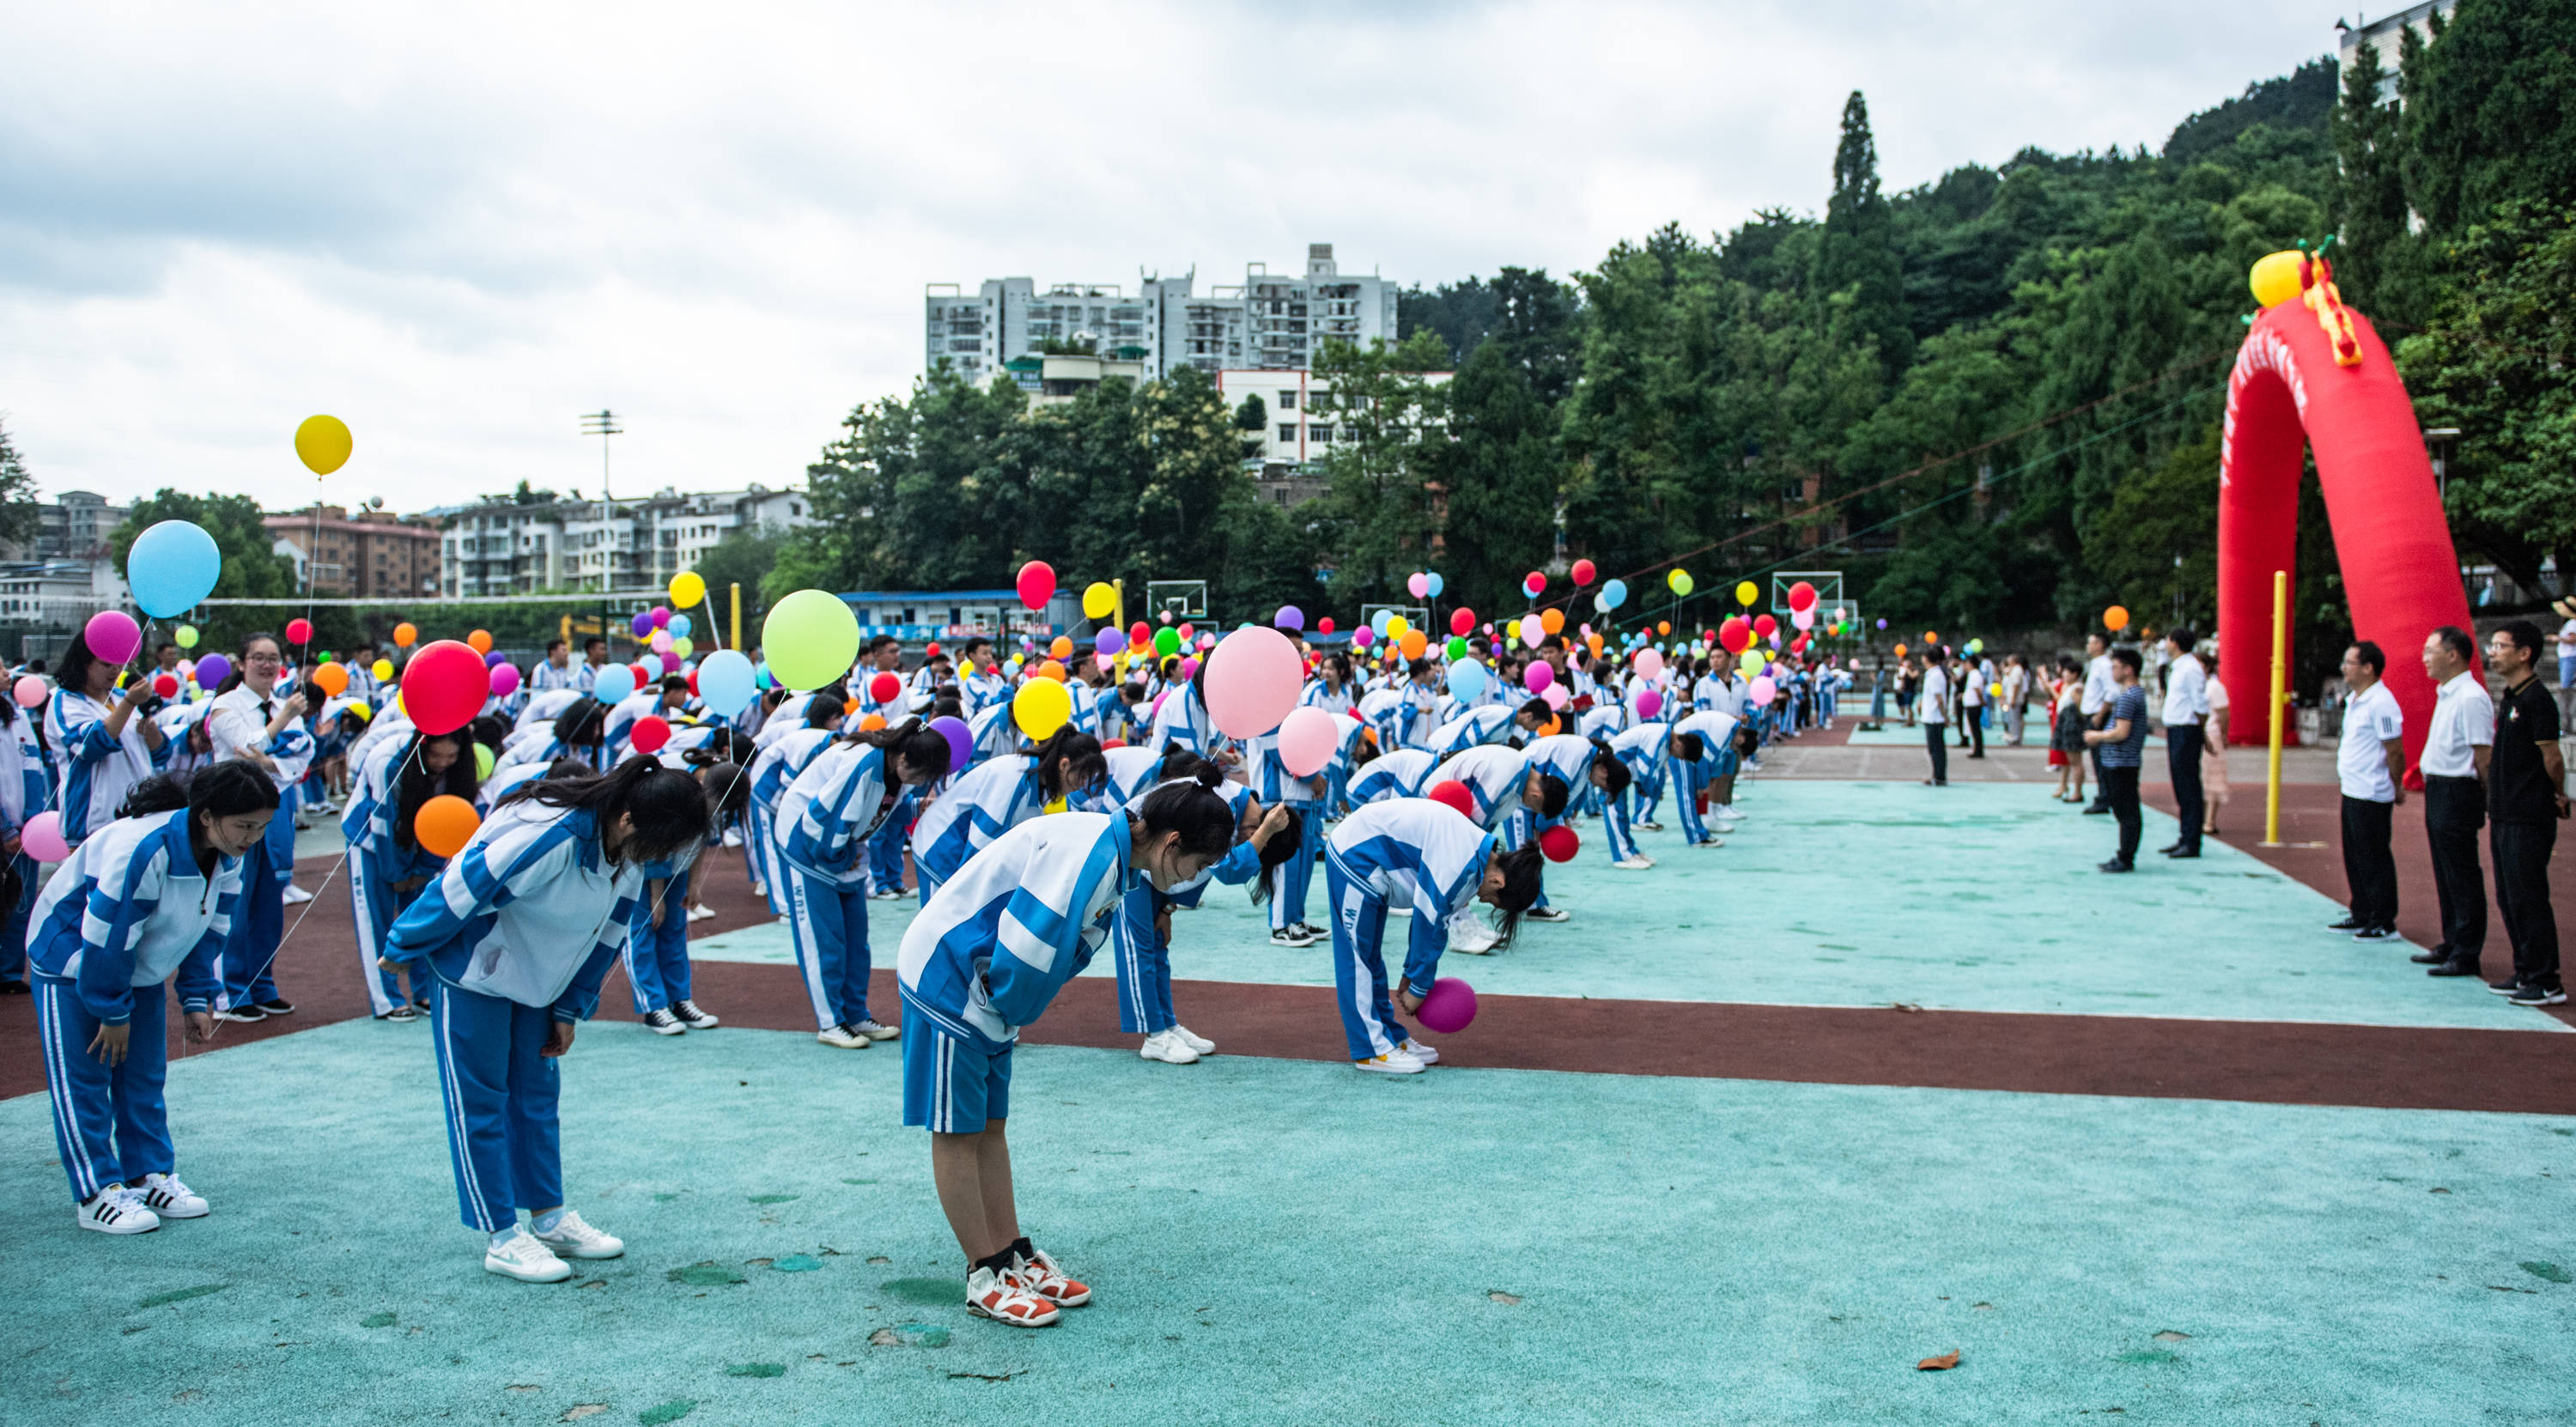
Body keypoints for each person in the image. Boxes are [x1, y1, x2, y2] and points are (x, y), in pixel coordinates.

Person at [896, 768, 1242, 1327]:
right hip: (950, 977)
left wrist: (1007, 1014)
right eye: (1196, 867)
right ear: (1172, 843)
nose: (1188, 880)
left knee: (988, 1126)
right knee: (957, 1132)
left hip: (984, 989)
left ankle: (1009, 1251)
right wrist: (1012, 1011)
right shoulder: (1091, 857)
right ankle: (983, 1270)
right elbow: (1029, 949)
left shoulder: (1116, 850)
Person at [386, 756, 713, 1282]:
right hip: (474, 971)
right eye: (665, 843)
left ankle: (549, 1216)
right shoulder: (552, 837)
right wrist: (404, 944)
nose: (665, 858)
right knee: (482, 1101)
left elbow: (608, 937)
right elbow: (464, 885)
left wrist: (569, 1009)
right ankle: (500, 1235)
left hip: (541, 980)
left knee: (537, 1100)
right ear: (628, 819)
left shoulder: (626, 854)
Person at [31, 762, 276, 1234]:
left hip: (135, 966)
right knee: (84, 1078)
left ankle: (146, 1173)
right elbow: (108, 935)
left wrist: (196, 996)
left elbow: (212, 927)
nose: (253, 837)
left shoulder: (229, 853)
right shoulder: (142, 849)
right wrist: (111, 1009)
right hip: (72, 959)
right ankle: (95, 1191)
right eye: (246, 825)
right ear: (206, 816)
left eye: (262, 827)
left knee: (143, 1074)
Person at [1322, 797, 1545, 1074]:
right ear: (1498, 881)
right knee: (1358, 961)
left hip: (1370, 859)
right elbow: (1429, 922)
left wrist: (1413, 975)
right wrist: (1418, 987)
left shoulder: (1475, 856)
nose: (1486, 902)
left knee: (1370, 959)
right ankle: (1370, 1050)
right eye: (1494, 901)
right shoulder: (1460, 862)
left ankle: (1390, 1036)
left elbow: (1432, 925)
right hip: (1355, 857)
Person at [775, 719, 954, 1048]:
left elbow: (884, 808)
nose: (920, 783)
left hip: (844, 852)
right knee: (824, 940)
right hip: (808, 850)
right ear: (902, 759)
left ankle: (855, 1013)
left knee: (856, 941)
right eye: (920, 776)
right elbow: (820, 820)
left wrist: (916, 806)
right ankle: (831, 1021)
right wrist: (841, 856)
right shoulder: (861, 764)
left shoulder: (894, 767)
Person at [204, 634, 313, 1023]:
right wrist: (279, 728)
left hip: (276, 814)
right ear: (242, 663)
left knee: (269, 904)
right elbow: (243, 747)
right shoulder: (225, 705)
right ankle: (227, 993)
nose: (266, 665)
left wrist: (271, 761)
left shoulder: (284, 705)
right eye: (258, 658)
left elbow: (303, 753)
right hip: (233, 814)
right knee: (233, 906)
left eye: (273, 659)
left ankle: (261, 985)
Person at [344, 726, 480, 1021]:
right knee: (376, 919)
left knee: (422, 917)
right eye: (435, 755)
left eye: (451, 756)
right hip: (369, 840)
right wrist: (397, 873)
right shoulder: (388, 761)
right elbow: (383, 825)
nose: (442, 763)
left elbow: (447, 823)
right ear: (422, 747)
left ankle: (424, 991)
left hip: (421, 840)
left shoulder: (461, 770)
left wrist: (424, 869)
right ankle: (386, 999)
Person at [2481, 621, 2567, 1005]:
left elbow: (2552, 757)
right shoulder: (2511, 697)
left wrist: (2559, 792)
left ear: (2524, 653)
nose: (2492, 653)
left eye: (2500, 646)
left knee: (2529, 895)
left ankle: (2546, 980)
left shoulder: (2537, 701)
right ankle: (2524, 968)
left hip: (2528, 815)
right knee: (2509, 895)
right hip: (2503, 812)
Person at [2415, 626, 2494, 979]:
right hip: (2439, 788)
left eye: (2431, 650)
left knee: (2462, 873)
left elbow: (2483, 755)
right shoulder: (2447, 693)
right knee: (2446, 871)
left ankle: (2466, 951)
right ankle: (2452, 940)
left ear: (2453, 655)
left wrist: (2488, 796)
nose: (2425, 657)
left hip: (2458, 790)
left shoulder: (2470, 697)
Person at [46, 626, 170, 847]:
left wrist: (152, 732)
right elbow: (91, 744)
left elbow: (160, 753)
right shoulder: (65, 701)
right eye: (106, 664)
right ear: (83, 663)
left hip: (140, 814)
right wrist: (130, 703)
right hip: (93, 823)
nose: (114, 671)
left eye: (119, 664)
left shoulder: (122, 697)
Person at [2330, 641, 2407, 940]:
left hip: (2372, 791)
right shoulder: (2355, 699)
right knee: (2354, 854)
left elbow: (2395, 750)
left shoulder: (2381, 702)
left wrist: (2396, 783)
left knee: (2373, 856)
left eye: (2350, 662)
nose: (2344, 668)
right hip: (2352, 787)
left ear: (2368, 668)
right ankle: (2361, 910)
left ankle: (2383, 919)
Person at [2083, 647, 2148, 871]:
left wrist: (2097, 736)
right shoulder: (2131, 695)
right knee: (2124, 810)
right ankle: (2124, 854)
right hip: (2120, 761)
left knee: (2127, 811)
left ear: (2129, 669)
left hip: (2122, 762)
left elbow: (2121, 732)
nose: (2112, 670)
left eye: (2116, 666)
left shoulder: (2129, 698)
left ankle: (2126, 857)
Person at [2158, 628, 2208, 859]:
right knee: (2181, 785)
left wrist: (2201, 730)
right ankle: (2185, 835)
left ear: (2175, 642)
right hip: (2178, 729)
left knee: (2188, 786)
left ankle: (2191, 840)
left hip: (2186, 730)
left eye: (2167, 640)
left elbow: (2200, 703)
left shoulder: (2190, 668)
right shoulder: (2179, 667)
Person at [2080, 632, 2115, 813]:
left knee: (2101, 758)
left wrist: (2100, 715)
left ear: (2100, 644)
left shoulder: (2105, 665)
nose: (2088, 646)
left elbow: (2112, 692)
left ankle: (2105, 797)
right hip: (2092, 714)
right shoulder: (2096, 664)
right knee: (2096, 758)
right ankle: (2104, 794)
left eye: (2091, 642)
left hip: (2098, 715)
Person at [2200, 653, 2231, 835]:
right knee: (2202, 777)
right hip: (2200, 733)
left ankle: (2209, 820)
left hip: (2212, 734)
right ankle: (2202, 818)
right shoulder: (2199, 685)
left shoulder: (2214, 687)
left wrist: (2224, 734)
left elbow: (2224, 713)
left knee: (2213, 778)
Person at [1917, 652, 1950, 787]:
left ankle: (1939, 777)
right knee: (1934, 749)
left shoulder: (1935, 675)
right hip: (1931, 716)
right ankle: (1937, 775)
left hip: (1935, 718)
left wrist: (1944, 716)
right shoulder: (1931, 674)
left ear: (1926, 658)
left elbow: (1939, 699)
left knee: (1936, 749)